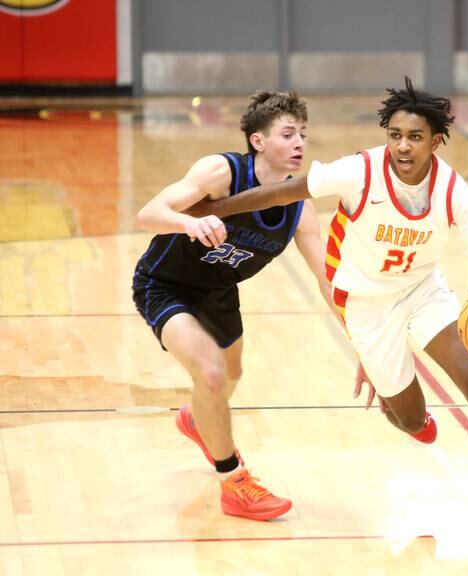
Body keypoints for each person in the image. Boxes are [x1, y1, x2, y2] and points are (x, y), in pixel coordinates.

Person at [186, 78, 468, 530]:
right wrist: (215, 210)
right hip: (365, 304)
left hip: (424, 291)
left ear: (436, 141)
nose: (403, 146)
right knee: (414, 421)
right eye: (396, 135)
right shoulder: (359, 170)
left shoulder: (452, 188)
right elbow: (285, 192)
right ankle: (394, 400)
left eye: (416, 137)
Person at [133, 90, 333, 522]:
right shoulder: (221, 172)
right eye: (287, 133)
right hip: (166, 284)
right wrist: (190, 220)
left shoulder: (299, 206)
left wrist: (368, 346)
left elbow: (327, 282)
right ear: (258, 141)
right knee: (210, 373)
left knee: (230, 375)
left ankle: (196, 420)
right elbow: (148, 213)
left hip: (219, 290)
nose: (299, 142)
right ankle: (234, 482)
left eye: (303, 134)